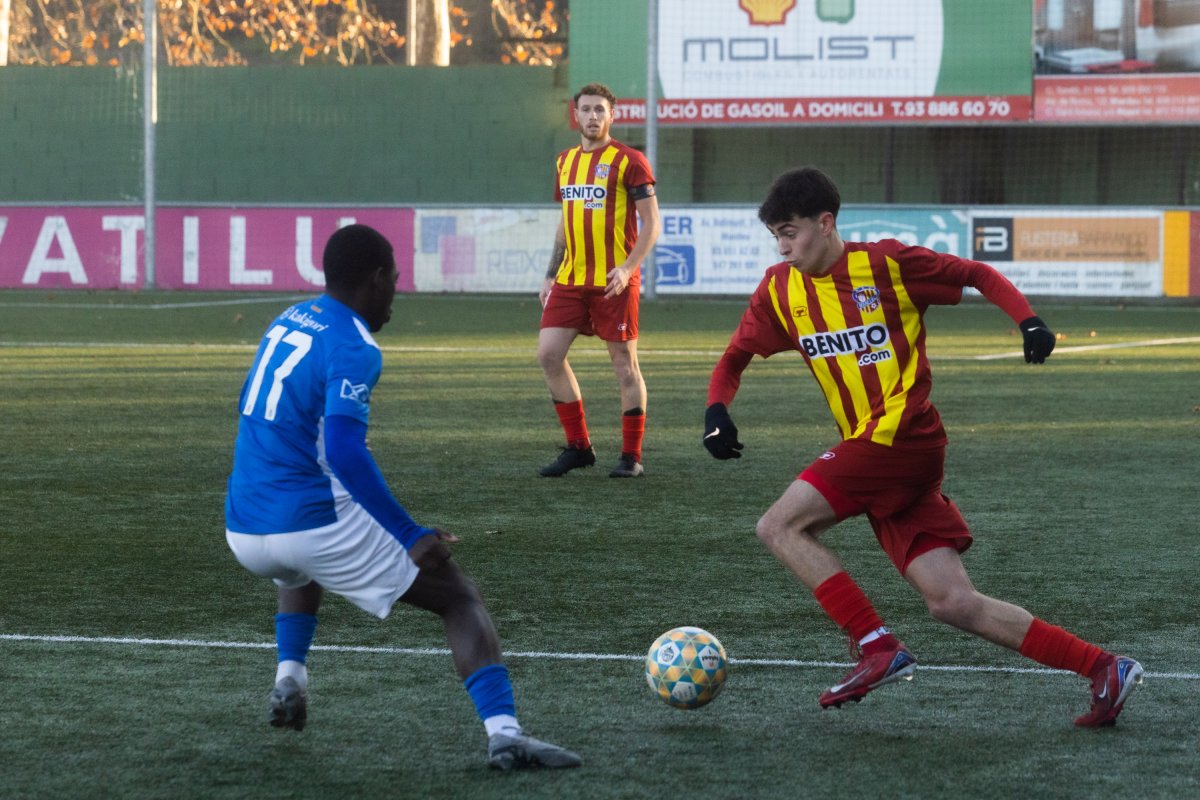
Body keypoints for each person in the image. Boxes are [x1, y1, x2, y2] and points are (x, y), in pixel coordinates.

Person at [702, 167, 1143, 727]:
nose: (784, 246)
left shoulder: (885, 264)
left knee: (778, 526)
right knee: (953, 602)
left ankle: (874, 645)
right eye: (776, 237)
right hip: (887, 453)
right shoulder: (779, 289)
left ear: (826, 222)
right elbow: (733, 358)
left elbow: (976, 273)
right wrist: (718, 409)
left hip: (900, 435)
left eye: (791, 232)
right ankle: (1104, 667)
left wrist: (1029, 321)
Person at [224, 224, 581, 770]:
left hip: (244, 527)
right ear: (376, 279)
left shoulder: (290, 317)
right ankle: (505, 733)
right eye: (394, 278)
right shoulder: (356, 346)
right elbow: (344, 451)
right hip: (310, 523)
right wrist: (410, 533)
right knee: (458, 595)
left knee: (300, 560)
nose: (397, 290)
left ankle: (289, 678)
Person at [537, 82, 662, 478]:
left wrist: (627, 269)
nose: (592, 116)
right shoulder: (564, 162)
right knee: (548, 355)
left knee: (625, 366)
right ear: (575, 114)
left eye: (599, 110)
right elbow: (564, 224)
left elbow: (652, 223)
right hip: (571, 279)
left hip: (613, 280)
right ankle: (579, 447)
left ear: (612, 115)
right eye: (585, 109)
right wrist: (549, 273)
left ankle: (631, 457)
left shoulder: (630, 161)